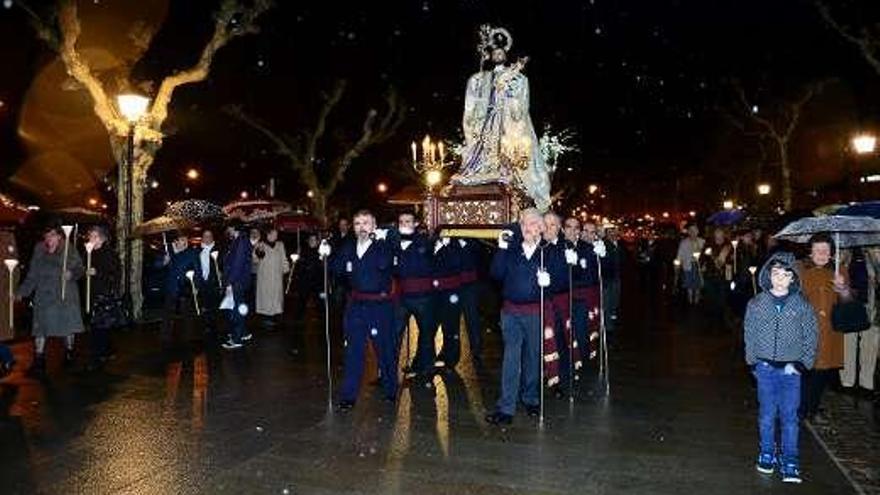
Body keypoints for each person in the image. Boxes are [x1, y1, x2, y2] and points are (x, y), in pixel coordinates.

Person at [451, 24, 551, 210]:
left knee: (507, 148)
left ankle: (506, 171)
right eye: (494, 53)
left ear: (506, 54)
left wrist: (508, 96)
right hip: (487, 118)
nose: (497, 55)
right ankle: (482, 169)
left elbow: (521, 102)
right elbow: (475, 99)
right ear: (490, 55)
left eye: (501, 52)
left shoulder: (517, 77)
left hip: (506, 119)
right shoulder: (481, 77)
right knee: (483, 146)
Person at [744, 251, 817, 484]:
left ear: (793, 278)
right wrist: (753, 361)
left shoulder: (802, 305)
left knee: (789, 416)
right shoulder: (757, 303)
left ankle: (790, 458)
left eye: (786, 275)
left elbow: (811, 335)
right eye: (776, 273)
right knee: (767, 414)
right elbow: (750, 333)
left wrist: (802, 363)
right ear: (768, 275)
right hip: (765, 367)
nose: (780, 279)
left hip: (790, 370)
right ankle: (767, 451)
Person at [485, 209, 550, 426]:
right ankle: (506, 407)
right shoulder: (512, 250)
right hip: (511, 312)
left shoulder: (547, 251)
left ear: (541, 227)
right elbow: (496, 274)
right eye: (523, 224)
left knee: (532, 356)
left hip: (534, 312)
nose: (527, 228)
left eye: (532, 223)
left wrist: (549, 281)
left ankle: (530, 397)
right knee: (511, 358)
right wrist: (502, 249)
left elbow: (562, 279)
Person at [328, 210, 397, 410]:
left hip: (379, 306)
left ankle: (391, 389)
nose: (361, 227)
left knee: (384, 348)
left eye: (366, 223)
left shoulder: (383, 246)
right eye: (357, 223)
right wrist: (326, 252)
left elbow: (385, 264)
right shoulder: (349, 247)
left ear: (374, 225)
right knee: (353, 351)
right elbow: (337, 269)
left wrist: (380, 241)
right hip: (356, 305)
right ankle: (349, 395)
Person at [16, 224, 85, 374]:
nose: (49, 239)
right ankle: (39, 360)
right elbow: (32, 273)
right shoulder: (39, 249)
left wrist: (71, 274)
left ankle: (69, 354)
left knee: (67, 327)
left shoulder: (69, 249)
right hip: (44, 295)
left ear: (60, 236)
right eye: (46, 236)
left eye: (52, 235)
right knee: (40, 328)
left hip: (64, 296)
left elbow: (80, 268)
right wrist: (23, 291)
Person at [797, 233, 851, 423]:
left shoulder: (840, 270)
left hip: (830, 330)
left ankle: (810, 409)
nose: (821, 254)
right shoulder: (800, 269)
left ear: (832, 252)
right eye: (817, 250)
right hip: (805, 327)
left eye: (826, 250)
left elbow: (848, 302)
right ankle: (802, 408)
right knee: (805, 369)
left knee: (822, 371)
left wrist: (843, 290)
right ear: (810, 252)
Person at [391, 212, 435, 376]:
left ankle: (425, 368)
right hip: (401, 296)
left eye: (408, 221)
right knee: (394, 334)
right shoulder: (393, 242)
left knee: (426, 333)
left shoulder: (424, 242)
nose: (404, 224)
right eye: (401, 221)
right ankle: (388, 372)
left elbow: (427, 265)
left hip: (422, 296)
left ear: (415, 223)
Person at [840, 247, 879, 400]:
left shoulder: (875, 250)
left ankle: (866, 384)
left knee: (870, 346)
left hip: (871, 305)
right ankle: (847, 382)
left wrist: (875, 258)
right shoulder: (844, 249)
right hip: (849, 305)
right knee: (848, 344)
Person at [84, 225, 123, 370]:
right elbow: (83, 271)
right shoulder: (89, 254)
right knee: (99, 326)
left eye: (94, 236)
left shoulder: (109, 254)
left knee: (98, 327)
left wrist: (98, 272)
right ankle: (107, 349)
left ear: (102, 238)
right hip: (92, 295)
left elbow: (115, 274)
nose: (91, 239)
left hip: (104, 296)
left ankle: (97, 357)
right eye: (90, 236)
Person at [158, 232, 198, 346]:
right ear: (176, 242)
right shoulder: (168, 251)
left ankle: (188, 337)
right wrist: (164, 261)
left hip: (185, 288)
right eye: (182, 240)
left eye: (186, 241)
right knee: (167, 314)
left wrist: (196, 285)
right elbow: (156, 265)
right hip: (171, 288)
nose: (185, 243)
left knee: (187, 314)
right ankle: (165, 337)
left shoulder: (191, 253)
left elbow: (197, 269)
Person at [221, 224, 253, 350]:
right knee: (238, 307)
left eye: (228, 228)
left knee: (235, 310)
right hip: (238, 281)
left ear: (234, 228)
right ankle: (243, 333)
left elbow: (237, 264)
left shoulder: (241, 241)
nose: (227, 230)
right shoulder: (238, 241)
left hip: (237, 281)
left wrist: (229, 281)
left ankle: (237, 339)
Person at [456, 236, 484, 366]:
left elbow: (479, 261)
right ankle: (451, 353)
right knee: (451, 322)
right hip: (453, 285)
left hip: (469, 286)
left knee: (472, 319)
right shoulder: (451, 242)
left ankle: (476, 349)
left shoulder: (474, 243)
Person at [254, 228, 288, 327]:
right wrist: (258, 252)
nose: (276, 236)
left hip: (277, 276)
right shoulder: (260, 244)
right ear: (268, 235)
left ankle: (275, 317)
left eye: (276, 234)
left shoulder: (280, 245)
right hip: (265, 276)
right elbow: (255, 260)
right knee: (266, 297)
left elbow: (284, 259)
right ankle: (266, 318)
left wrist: (286, 270)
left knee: (276, 297)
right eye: (274, 234)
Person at [196, 229, 222, 339]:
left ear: (212, 237)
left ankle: (215, 327)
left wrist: (221, 271)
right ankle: (207, 326)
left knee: (215, 305)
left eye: (209, 236)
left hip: (215, 282)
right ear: (202, 238)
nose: (207, 238)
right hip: (203, 282)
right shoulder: (198, 251)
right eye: (205, 236)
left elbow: (223, 263)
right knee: (205, 305)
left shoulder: (218, 250)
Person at [0, 229, 18, 375]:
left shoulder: (6, 238)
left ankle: (7, 357)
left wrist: (11, 289)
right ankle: (7, 357)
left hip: (2, 292)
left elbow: (13, 268)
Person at [677, 225, 705, 305]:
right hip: (688, 265)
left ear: (697, 232)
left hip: (699, 265)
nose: (693, 233)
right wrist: (678, 263)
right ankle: (690, 300)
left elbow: (706, 254)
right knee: (689, 284)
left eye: (694, 231)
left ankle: (696, 299)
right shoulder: (684, 242)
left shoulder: (702, 241)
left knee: (698, 283)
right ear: (688, 232)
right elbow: (680, 254)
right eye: (691, 231)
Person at [601, 226, 622, 329]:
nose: (612, 234)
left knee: (615, 299)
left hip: (616, 276)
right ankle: (608, 326)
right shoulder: (604, 244)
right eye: (609, 232)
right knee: (608, 302)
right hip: (608, 278)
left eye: (613, 232)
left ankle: (612, 319)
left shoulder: (618, 244)